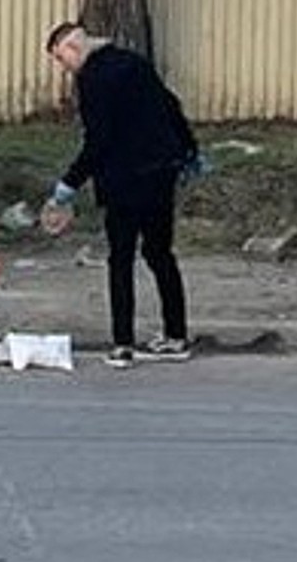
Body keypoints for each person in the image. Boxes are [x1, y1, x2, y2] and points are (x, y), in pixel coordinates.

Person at [41, 21, 205, 369]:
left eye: (61, 59)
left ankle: (123, 344)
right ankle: (176, 335)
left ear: (72, 48)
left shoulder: (93, 80)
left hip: (122, 180)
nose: (65, 68)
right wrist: (189, 150)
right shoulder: (136, 63)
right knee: (161, 253)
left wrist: (68, 184)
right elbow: (170, 105)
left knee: (121, 259)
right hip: (161, 172)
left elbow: (98, 141)